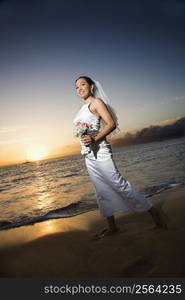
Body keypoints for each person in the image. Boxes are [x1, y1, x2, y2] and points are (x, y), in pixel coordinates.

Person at [73, 76, 167, 239]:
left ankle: (155, 214)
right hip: (89, 155)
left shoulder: (97, 103)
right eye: (76, 87)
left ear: (91, 86)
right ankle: (112, 227)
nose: (79, 88)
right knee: (100, 190)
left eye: (83, 84)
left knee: (119, 184)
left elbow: (111, 124)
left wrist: (94, 138)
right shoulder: (82, 108)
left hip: (100, 151)